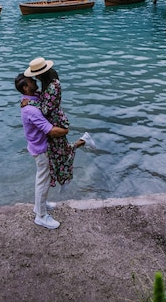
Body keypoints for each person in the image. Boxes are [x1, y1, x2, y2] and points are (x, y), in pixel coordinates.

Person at [23, 56, 96, 188]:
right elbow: (45, 101)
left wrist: (31, 102)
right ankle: (63, 179)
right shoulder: (48, 83)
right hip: (52, 121)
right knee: (59, 152)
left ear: (41, 74)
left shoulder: (53, 85)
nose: (36, 79)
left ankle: (64, 180)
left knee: (61, 152)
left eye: (36, 76)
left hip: (57, 122)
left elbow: (46, 109)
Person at [15, 72, 69, 230]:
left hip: (37, 146)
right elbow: (51, 131)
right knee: (43, 181)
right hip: (41, 149)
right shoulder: (31, 110)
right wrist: (66, 130)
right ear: (26, 88)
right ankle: (41, 216)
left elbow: (45, 100)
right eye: (31, 81)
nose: (34, 81)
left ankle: (40, 204)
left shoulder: (31, 98)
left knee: (42, 178)